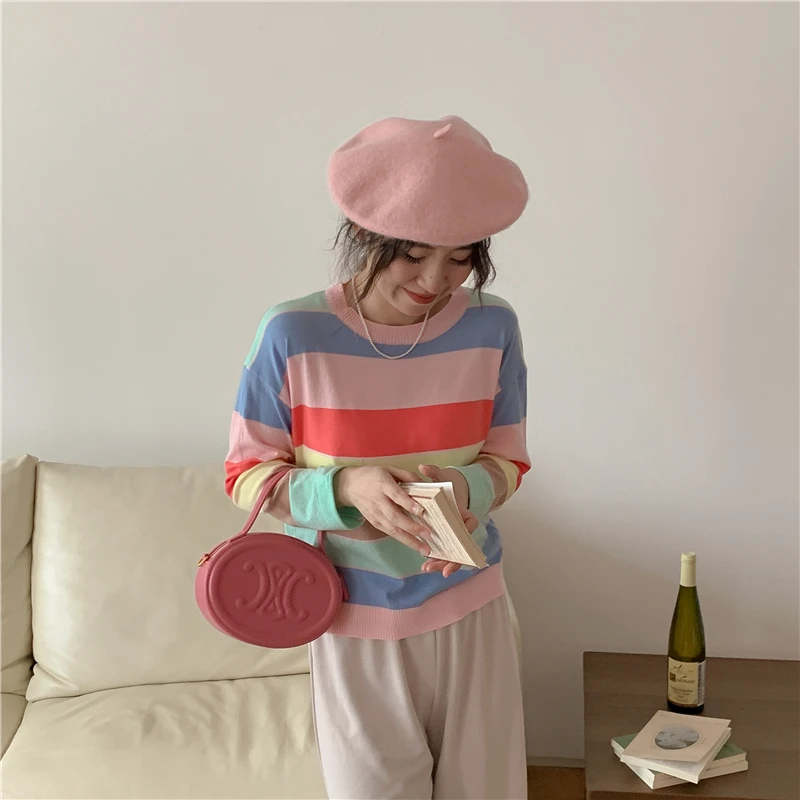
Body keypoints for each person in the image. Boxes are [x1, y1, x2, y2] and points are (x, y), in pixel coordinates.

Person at [225, 115, 531, 800]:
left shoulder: (494, 326)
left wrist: (465, 489)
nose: (435, 280)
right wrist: (346, 487)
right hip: (346, 614)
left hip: (471, 604)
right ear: (364, 235)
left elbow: (508, 459)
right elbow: (246, 475)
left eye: (461, 258)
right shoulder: (292, 333)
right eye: (413, 254)